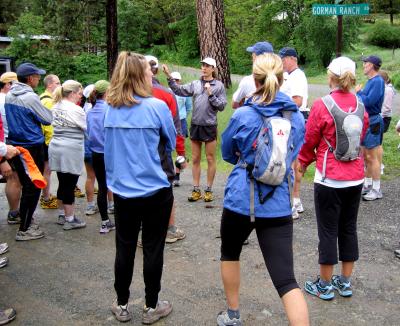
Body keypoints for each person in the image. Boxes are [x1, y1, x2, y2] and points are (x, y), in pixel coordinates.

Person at [217, 53, 309, 326]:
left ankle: (233, 316)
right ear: (282, 79)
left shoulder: (243, 114)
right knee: (286, 280)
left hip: (239, 201)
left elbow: (227, 153)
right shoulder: (296, 118)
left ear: (254, 79)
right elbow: (291, 156)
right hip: (278, 202)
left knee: (230, 253)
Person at [105, 51, 175, 324]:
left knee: (124, 247)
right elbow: (170, 141)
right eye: (148, 71)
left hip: (123, 191)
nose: (151, 74)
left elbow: (107, 151)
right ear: (139, 75)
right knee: (153, 247)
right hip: (156, 190)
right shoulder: (156, 107)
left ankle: (122, 304)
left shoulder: (110, 109)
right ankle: (151, 306)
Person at [298, 57, 369, 300]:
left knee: (328, 231)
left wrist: (303, 162)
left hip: (329, 178)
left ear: (331, 77)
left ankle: (325, 285)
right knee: (348, 228)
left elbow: (310, 139)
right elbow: (363, 132)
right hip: (356, 177)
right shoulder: (360, 103)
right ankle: (345, 282)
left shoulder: (322, 104)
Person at [163, 57, 227, 202]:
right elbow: (179, 90)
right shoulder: (196, 84)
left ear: (213, 69)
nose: (203, 68)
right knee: (196, 159)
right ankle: (196, 189)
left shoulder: (219, 86)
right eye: (202, 65)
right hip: (196, 125)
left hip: (210, 126)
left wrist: (211, 94)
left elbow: (222, 106)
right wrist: (169, 76)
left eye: (207, 66)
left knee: (210, 158)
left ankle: (209, 190)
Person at [5, 62, 52, 241]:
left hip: (16, 146)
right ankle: (24, 229)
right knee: (34, 187)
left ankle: (26, 221)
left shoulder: (9, 95)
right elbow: (47, 119)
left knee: (27, 185)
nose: (39, 79)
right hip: (31, 147)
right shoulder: (31, 98)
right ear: (30, 78)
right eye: (37, 76)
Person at [145, 55, 186, 243]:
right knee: (165, 189)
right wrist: (181, 154)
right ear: (155, 70)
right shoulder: (166, 94)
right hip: (160, 150)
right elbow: (176, 128)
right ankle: (169, 229)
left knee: (141, 190)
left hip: (136, 152)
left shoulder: (124, 92)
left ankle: (144, 232)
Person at [48, 80, 87, 231]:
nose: (80, 97)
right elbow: (85, 128)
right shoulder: (76, 110)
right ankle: (70, 219)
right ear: (72, 93)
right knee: (70, 184)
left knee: (62, 181)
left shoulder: (55, 105)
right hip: (71, 149)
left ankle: (61, 214)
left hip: (56, 146)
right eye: (79, 94)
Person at [279, 47, 309, 219]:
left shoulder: (297, 75)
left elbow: (297, 101)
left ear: (292, 58)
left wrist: (277, 103)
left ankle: (292, 202)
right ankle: (295, 199)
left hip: (295, 119)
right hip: (294, 118)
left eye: (283, 59)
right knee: (294, 160)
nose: (282, 62)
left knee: (291, 161)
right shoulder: (292, 76)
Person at [86, 80, 115, 233]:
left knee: (102, 187)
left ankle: (105, 222)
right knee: (117, 185)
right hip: (110, 153)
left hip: (95, 153)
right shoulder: (110, 110)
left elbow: (88, 133)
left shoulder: (90, 111)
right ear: (107, 93)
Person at [355, 55, 385, 201]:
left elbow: (369, 101)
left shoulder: (378, 81)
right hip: (368, 121)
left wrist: (359, 93)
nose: (363, 66)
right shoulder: (372, 81)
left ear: (372, 65)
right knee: (366, 156)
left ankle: (377, 189)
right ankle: (367, 185)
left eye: (365, 63)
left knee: (372, 157)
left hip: (373, 121)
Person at [0, 72, 21, 225]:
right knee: (14, 179)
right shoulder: (6, 100)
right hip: (7, 144)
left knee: (11, 179)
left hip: (4, 144)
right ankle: (14, 213)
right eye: (15, 84)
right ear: (8, 85)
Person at [39, 74, 60, 209]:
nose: (60, 85)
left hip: (44, 140)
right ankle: (46, 198)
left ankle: (45, 196)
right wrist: (51, 141)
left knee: (47, 170)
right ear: (50, 85)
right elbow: (48, 124)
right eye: (57, 83)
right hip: (47, 141)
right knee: (47, 171)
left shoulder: (42, 97)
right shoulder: (48, 100)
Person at [232, 41, 274, 109]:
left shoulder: (248, 80)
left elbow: (234, 104)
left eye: (253, 54)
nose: (252, 56)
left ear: (256, 57)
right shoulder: (281, 78)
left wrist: (245, 99)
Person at [170, 71, 192, 187]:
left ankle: (177, 175)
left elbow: (189, 108)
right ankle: (168, 173)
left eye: (177, 80)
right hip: (169, 121)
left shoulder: (184, 93)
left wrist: (182, 117)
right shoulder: (168, 92)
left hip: (181, 121)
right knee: (167, 148)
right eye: (174, 80)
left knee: (180, 149)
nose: (176, 82)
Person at [379, 71, 395, 175]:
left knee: (378, 142)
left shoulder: (388, 90)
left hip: (383, 118)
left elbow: (387, 107)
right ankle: (378, 164)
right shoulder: (384, 88)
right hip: (380, 117)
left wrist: (379, 115)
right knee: (378, 141)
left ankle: (380, 165)